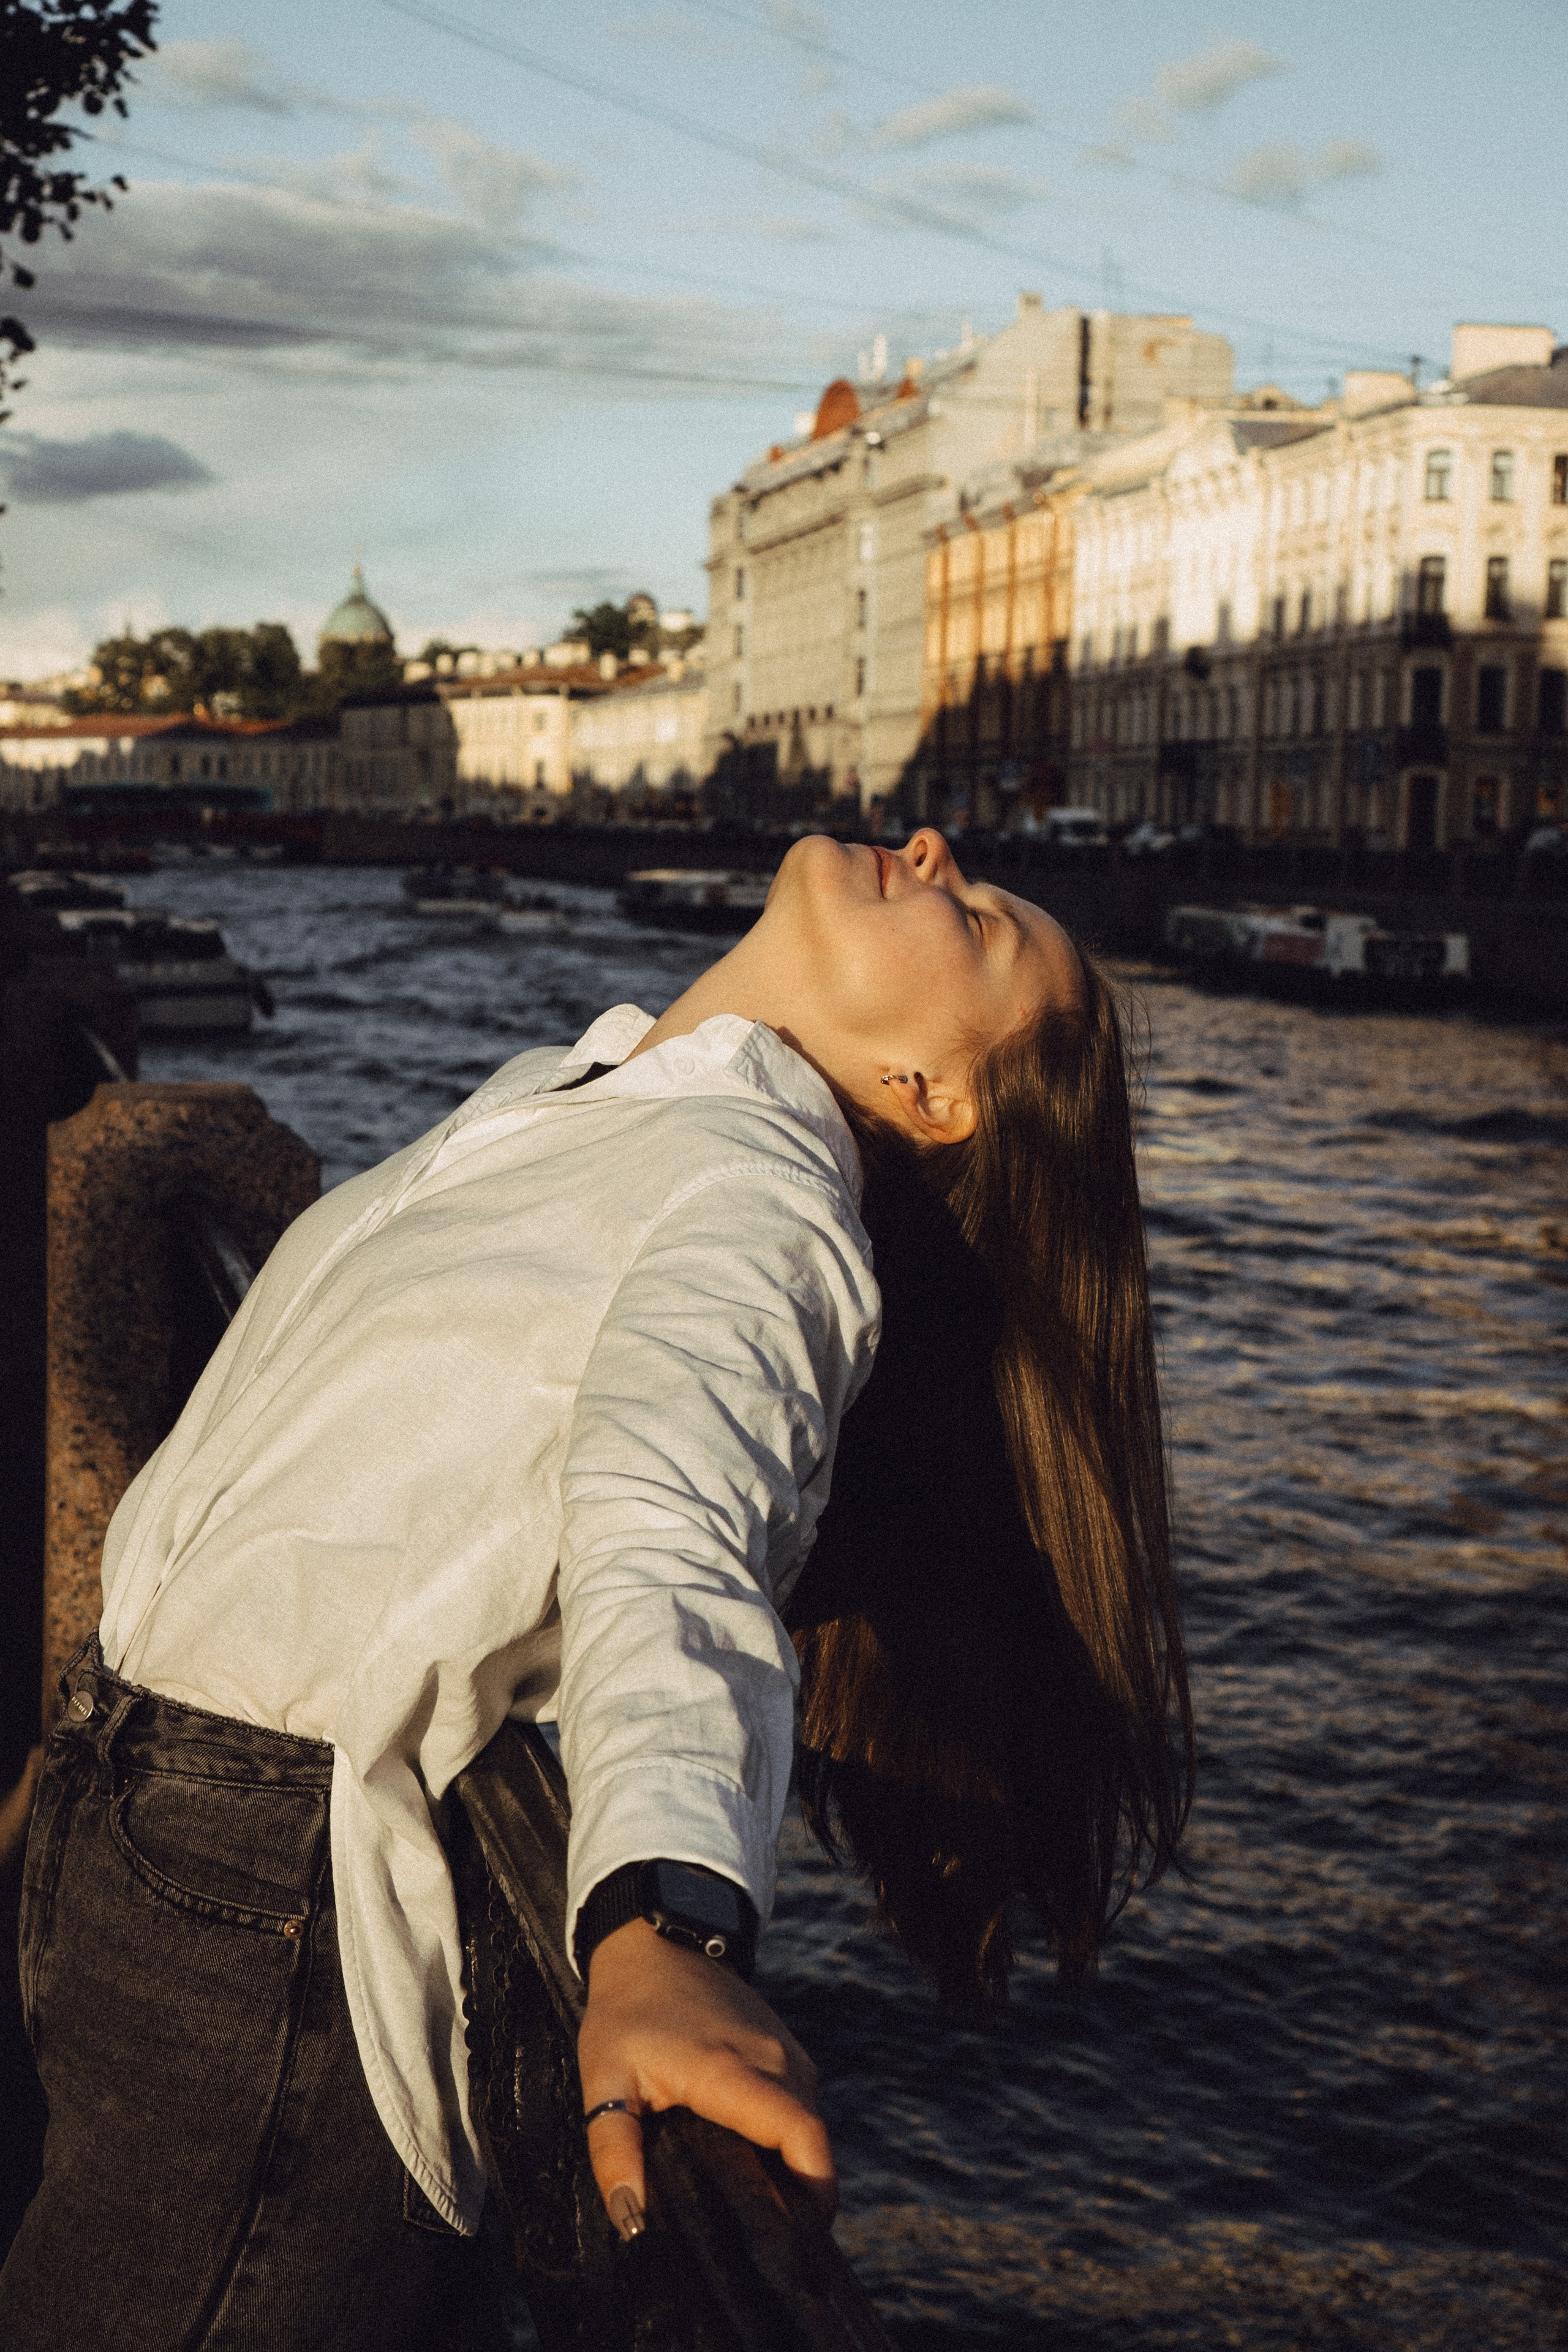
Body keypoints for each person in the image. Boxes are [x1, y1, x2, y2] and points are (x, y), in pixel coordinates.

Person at [2, 827, 1191, 2348]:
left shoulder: (767, 1205)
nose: (933, 849)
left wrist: (662, 1929)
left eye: (978, 922)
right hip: (146, 1814)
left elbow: (675, 1530)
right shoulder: (575, 1096)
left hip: (263, 1900)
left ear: (933, 1095)